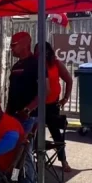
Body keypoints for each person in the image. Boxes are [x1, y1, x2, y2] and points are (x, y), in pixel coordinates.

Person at [36, 41, 73, 172]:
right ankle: (35, 162)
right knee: (33, 134)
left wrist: (65, 98)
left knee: (56, 134)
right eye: (37, 51)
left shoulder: (55, 64)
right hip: (36, 106)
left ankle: (63, 161)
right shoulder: (34, 65)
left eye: (43, 51)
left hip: (52, 105)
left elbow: (69, 80)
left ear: (48, 52)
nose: (40, 54)